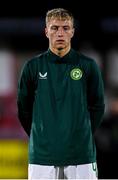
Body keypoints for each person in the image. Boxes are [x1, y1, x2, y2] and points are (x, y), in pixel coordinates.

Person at [17, 8, 105, 179]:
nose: (60, 33)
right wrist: (44, 135)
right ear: (46, 31)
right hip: (42, 157)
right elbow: (23, 110)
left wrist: (81, 133)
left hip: (81, 156)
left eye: (65, 28)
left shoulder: (88, 66)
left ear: (72, 32)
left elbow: (98, 107)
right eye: (54, 28)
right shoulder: (32, 67)